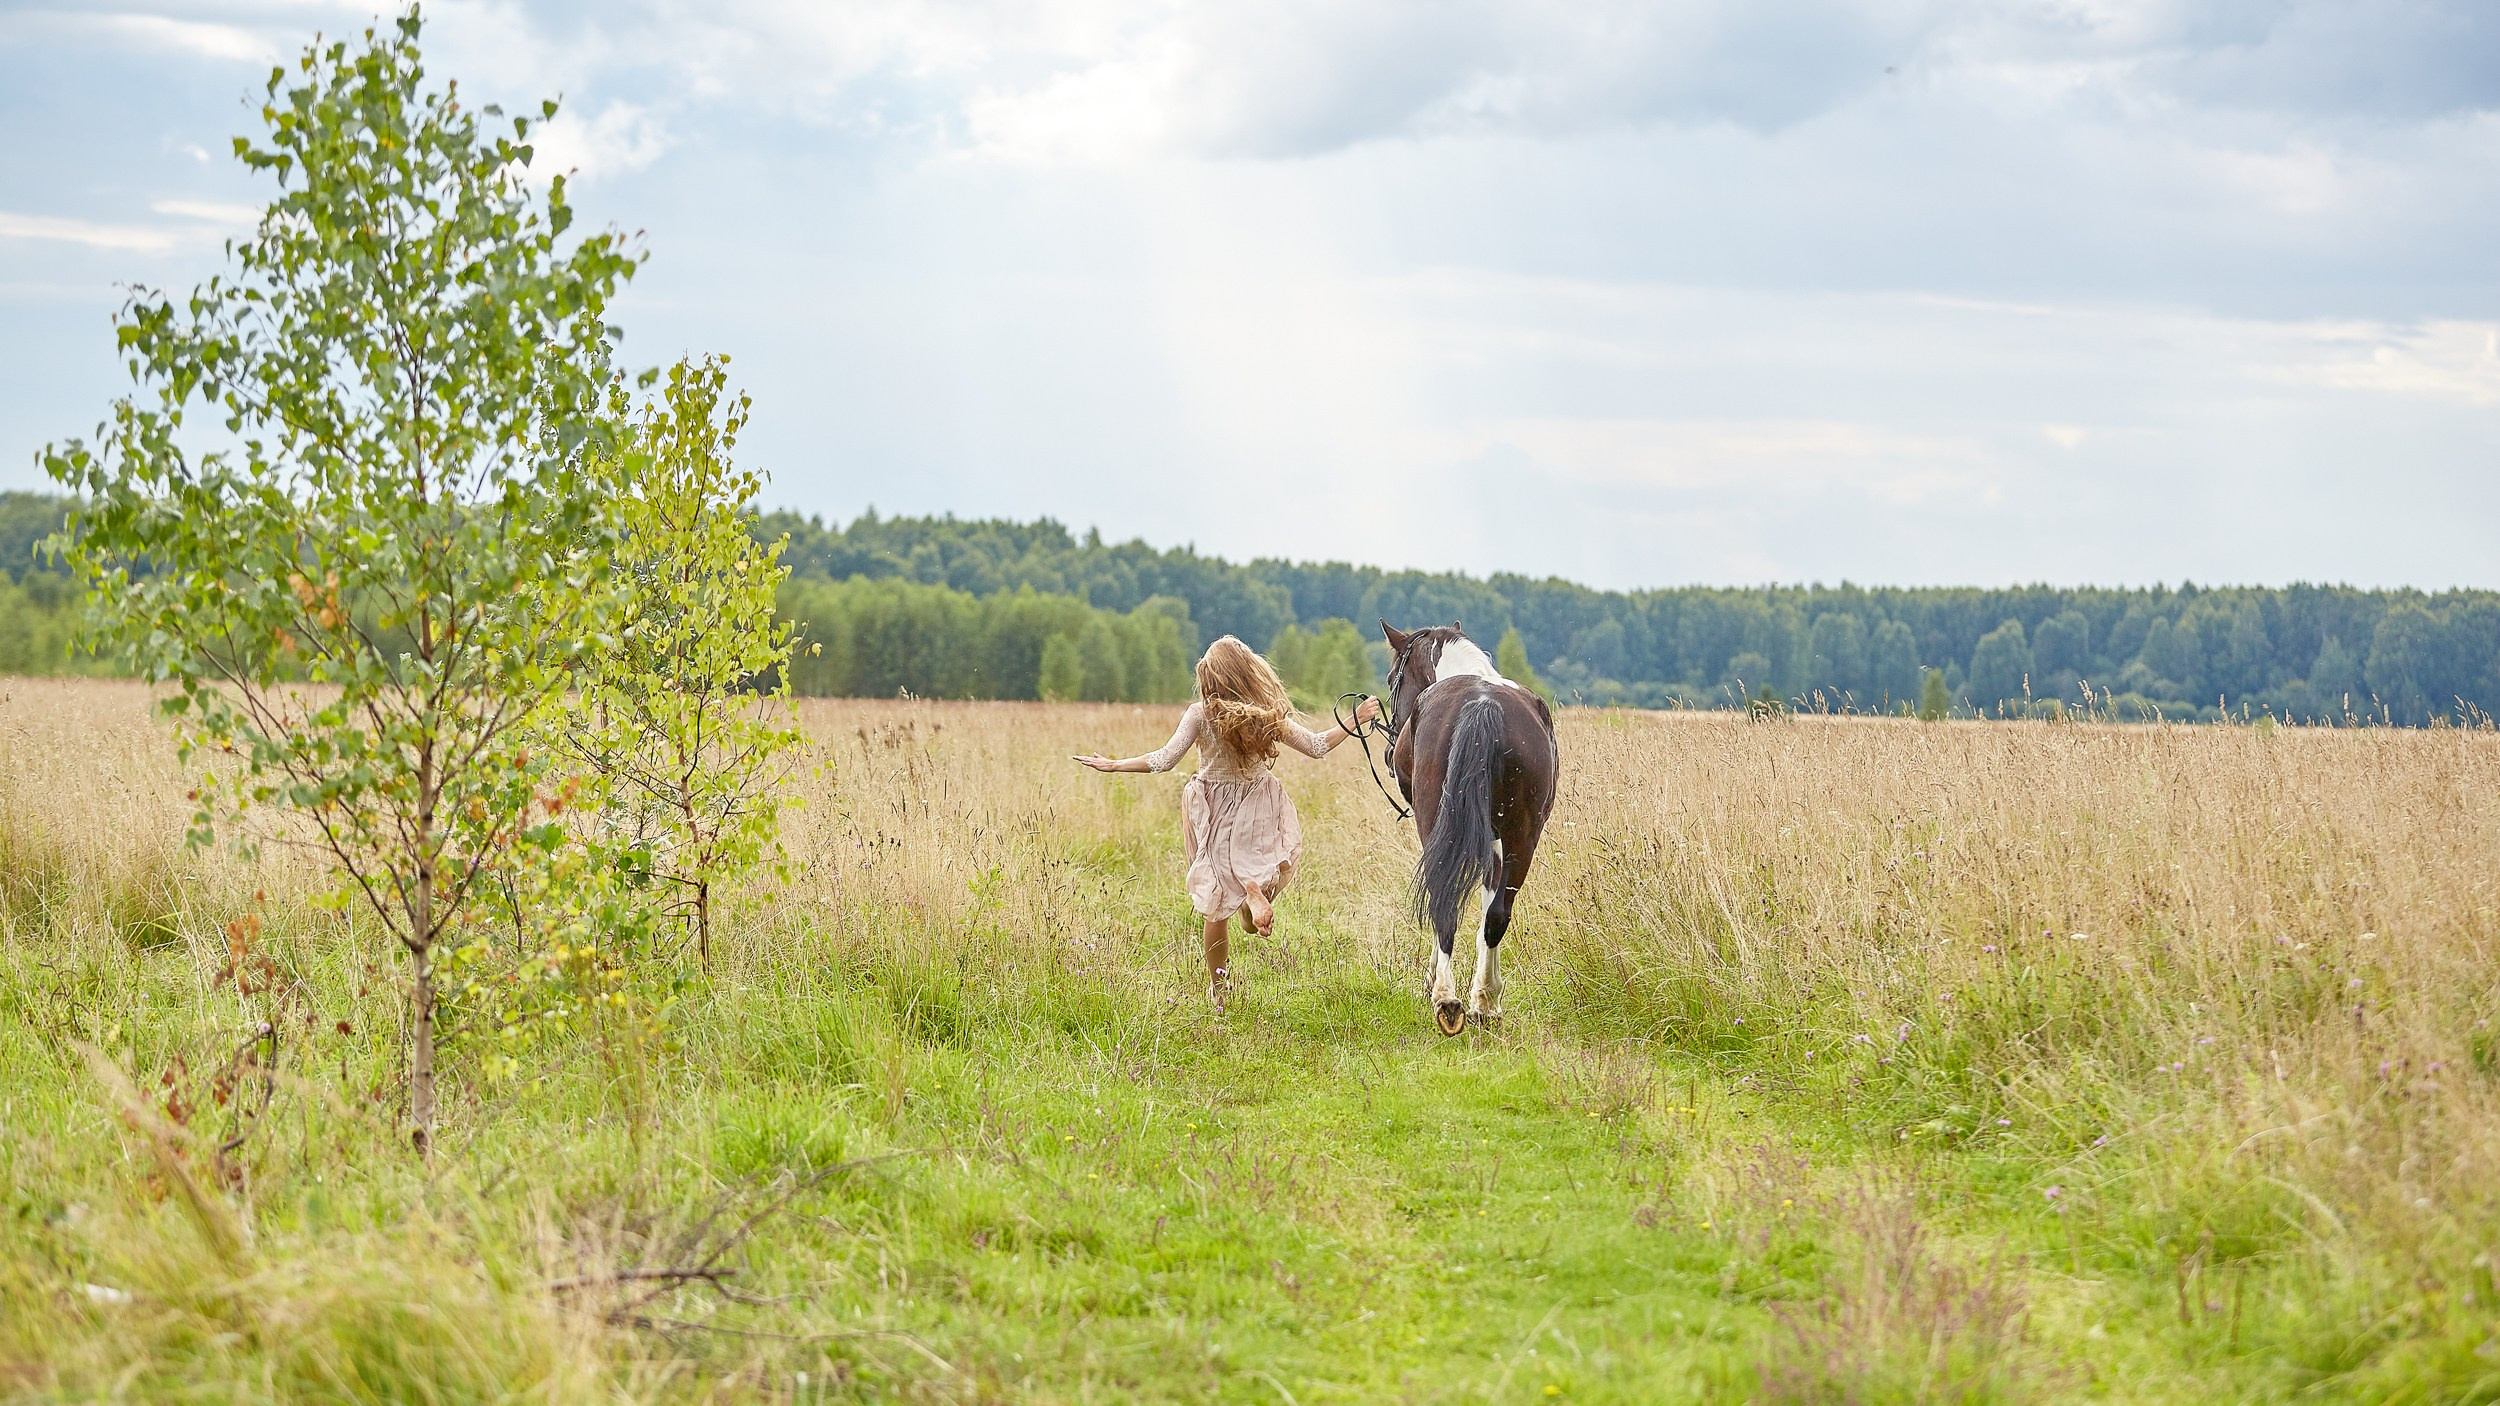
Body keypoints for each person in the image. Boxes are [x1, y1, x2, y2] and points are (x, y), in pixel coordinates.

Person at [1075, 636, 1381, 1011]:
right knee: (1250, 906)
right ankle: (1253, 893)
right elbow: (1317, 746)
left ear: (1211, 676)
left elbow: (1165, 760)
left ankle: (1219, 992)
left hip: (1213, 810)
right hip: (1258, 803)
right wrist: (1355, 718)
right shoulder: (1267, 715)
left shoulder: (1199, 714)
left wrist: (1115, 765)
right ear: (1248, 672)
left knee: (1216, 905)